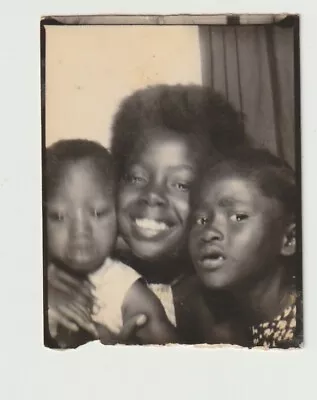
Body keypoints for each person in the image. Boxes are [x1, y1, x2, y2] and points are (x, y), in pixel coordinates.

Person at [48, 84, 247, 343]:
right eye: (136, 177)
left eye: (181, 184)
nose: (152, 195)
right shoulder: (84, 259)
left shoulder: (212, 304)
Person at [45, 139, 178, 348]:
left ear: (117, 215)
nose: (80, 232)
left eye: (98, 213)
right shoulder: (30, 280)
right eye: (59, 216)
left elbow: (173, 350)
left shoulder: (123, 287)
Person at [188, 147, 302, 348]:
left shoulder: (313, 328)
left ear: (289, 239)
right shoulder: (221, 329)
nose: (208, 233)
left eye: (238, 217)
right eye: (201, 219)